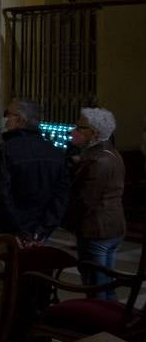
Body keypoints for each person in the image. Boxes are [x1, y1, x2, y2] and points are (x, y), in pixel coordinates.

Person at [0, 98, 70, 246]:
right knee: (35, 267)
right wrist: (42, 231)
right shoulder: (55, 152)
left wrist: (19, 231)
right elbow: (61, 198)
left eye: (7, 115)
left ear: (20, 120)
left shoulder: (5, 151)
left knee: (4, 267)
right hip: (40, 235)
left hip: (11, 233)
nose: (5, 120)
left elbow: (1, 195)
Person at [66, 107, 126, 299]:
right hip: (113, 225)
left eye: (80, 127)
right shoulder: (111, 153)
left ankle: (98, 325)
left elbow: (86, 200)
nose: (74, 131)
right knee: (106, 283)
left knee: (95, 285)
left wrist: (64, 221)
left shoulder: (99, 161)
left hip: (96, 228)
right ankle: (111, 320)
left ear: (95, 133)